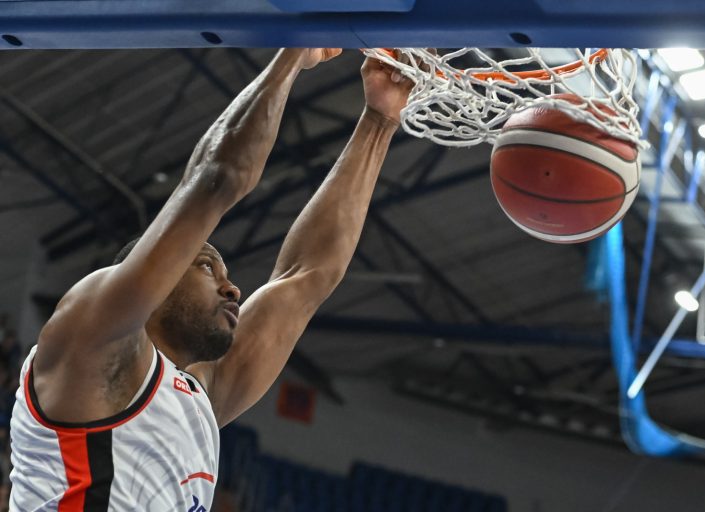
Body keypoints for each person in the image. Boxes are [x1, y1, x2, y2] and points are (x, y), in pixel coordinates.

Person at [9, 47, 414, 510]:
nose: (232, 288)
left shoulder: (197, 397)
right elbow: (215, 179)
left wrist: (379, 122)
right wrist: (293, 53)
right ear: (154, 279)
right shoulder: (89, 339)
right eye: (207, 266)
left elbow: (307, 275)